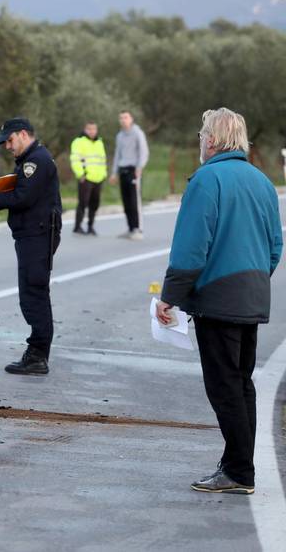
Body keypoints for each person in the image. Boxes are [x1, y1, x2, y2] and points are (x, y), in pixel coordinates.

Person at [157, 108, 281, 495]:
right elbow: (275, 246)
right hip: (252, 295)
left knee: (224, 386)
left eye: (201, 134)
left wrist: (170, 297)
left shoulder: (207, 180)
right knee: (242, 383)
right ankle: (236, 464)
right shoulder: (263, 181)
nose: (199, 140)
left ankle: (240, 471)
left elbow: (191, 249)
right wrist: (254, 279)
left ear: (211, 140)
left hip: (219, 299)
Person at [0, 118, 62, 375]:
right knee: (31, 294)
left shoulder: (37, 161)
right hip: (32, 234)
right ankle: (35, 352)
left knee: (34, 294)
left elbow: (24, 197)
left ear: (23, 134)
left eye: (10, 141)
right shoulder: (31, 160)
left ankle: (37, 355)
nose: (8, 147)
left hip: (38, 235)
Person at [110, 110, 149, 240]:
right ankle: (131, 228)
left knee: (134, 201)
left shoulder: (138, 133)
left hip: (134, 170)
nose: (123, 120)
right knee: (126, 201)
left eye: (125, 117)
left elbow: (144, 152)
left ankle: (138, 229)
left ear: (131, 119)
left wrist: (139, 167)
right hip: (122, 170)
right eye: (121, 118)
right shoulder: (120, 135)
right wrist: (114, 173)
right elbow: (117, 155)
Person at [70, 121, 107, 235]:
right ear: (85, 130)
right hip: (86, 177)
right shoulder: (78, 141)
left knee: (95, 203)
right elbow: (75, 159)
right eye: (89, 129)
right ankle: (77, 226)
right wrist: (80, 174)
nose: (92, 131)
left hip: (98, 178)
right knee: (83, 202)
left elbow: (102, 159)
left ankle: (91, 226)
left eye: (94, 129)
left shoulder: (99, 142)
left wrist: (104, 174)